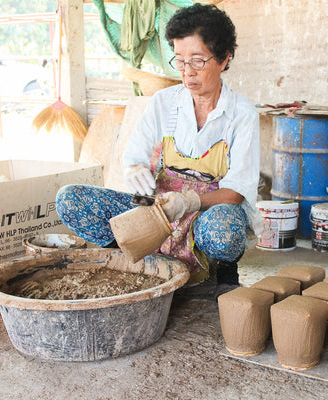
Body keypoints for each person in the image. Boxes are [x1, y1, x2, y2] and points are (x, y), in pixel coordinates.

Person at [55, 4, 260, 293]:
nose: (187, 73)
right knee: (71, 200)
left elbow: (236, 191)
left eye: (198, 61)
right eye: (179, 61)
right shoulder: (163, 103)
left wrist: (188, 202)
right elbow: (135, 157)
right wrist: (135, 171)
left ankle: (222, 270)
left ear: (224, 59)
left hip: (205, 215)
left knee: (224, 230)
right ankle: (136, 257)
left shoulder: (242, 114)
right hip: (158, 211)